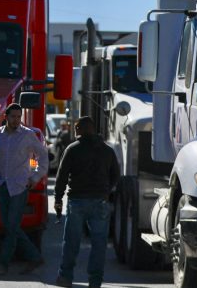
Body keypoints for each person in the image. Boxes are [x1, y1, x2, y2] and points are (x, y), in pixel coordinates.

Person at [54, 116, 120, 288]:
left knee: (71, 241)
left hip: (77, 201)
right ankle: (95, 282)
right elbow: (116, 175)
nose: (75, 132)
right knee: (99, 244)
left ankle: (65, 277)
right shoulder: (108, 151)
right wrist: (106, 190)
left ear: (81, 130)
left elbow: (61, 176)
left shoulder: (72, 149)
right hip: (100, 202)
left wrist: (58, 198)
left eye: (76, 129)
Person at [0, 103, 49, 276]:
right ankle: (35, 257)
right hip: (3, 186)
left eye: (18, 116)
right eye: (13, 116)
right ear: (6, 117)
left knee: (12, 226)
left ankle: (3, 264)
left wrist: (34, 176)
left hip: (20, 186)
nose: (16, 120)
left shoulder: (27, 135)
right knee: (9, 226)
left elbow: (41, 156)